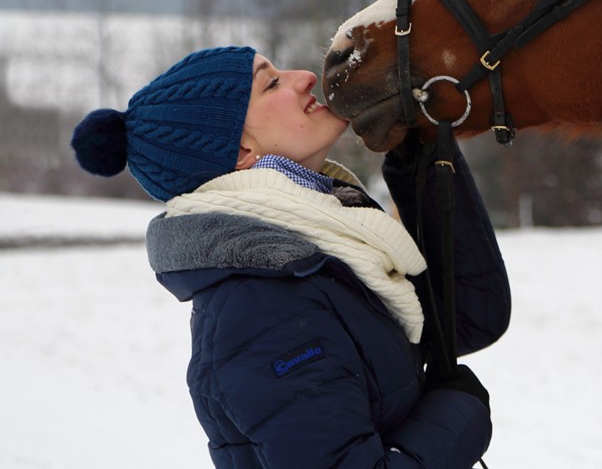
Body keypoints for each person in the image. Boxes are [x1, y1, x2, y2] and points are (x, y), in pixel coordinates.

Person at [70, 45, 510, 468]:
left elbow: (469, 317)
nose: (304, 78)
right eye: (272, 84)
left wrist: (420, 152)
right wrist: (459, 415)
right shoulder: (262, 308)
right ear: (243, 152)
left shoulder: (323, 247)